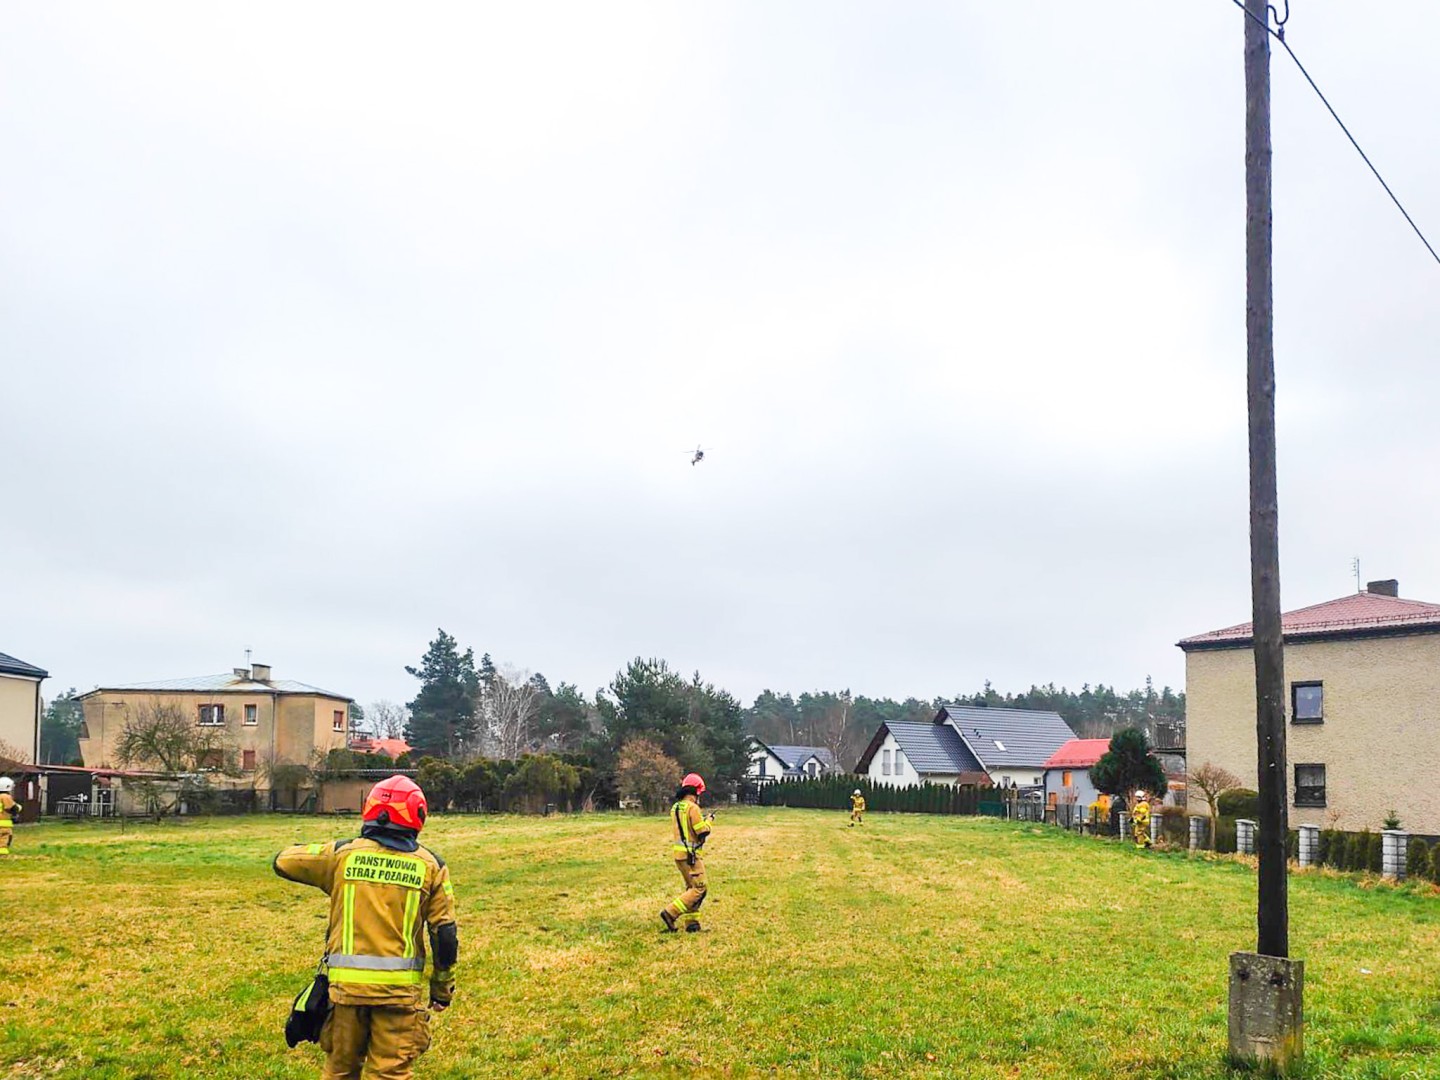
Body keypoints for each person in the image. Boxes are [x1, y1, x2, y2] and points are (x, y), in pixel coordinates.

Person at [273, 775, 458, 1080]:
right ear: (418, 815)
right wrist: (442, 989)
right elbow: (445, 935)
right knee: (390, 1073)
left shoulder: (342, 856)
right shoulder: (432, 867)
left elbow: (282, 862)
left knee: (340, 1071)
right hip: (399, 997)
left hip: (346, 995)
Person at [660, 772, 713, 933]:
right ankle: (670, 913)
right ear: (696, 791)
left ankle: (692, 923)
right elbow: (701, 831)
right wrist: (709, 821)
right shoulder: (693, 808)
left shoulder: (676, 807)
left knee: (691, 887)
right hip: (692, 856)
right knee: (700, 888)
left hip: (679, 856)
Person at [0, 776, 19, 856]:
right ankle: (2, 855)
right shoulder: (5, 797)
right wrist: (16, 812)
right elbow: (12, 808)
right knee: (5, 838)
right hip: (3, 824)